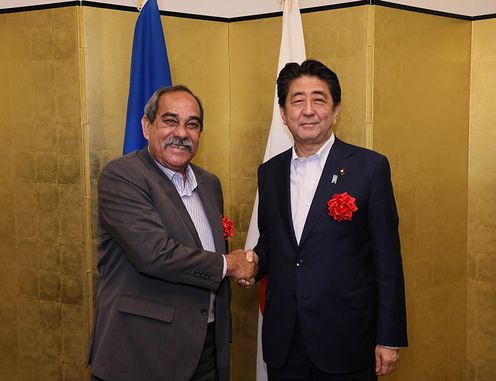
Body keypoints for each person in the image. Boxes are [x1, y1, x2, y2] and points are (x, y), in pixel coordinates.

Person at [88, 85, 256, 381]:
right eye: (170, 120)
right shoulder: (123, 176)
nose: (182, 132)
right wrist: (231, 265)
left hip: (204, 349)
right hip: (142, 352)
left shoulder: (209, 183)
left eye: (192, 124)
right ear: (146, 126)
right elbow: (155, 254)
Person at [254, 60, 407, 381]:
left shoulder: (370, 168)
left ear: (335, 110)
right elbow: (272, 242)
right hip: (285, 341)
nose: (308, 110)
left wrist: (389, 337)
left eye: (319, 99)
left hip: (347, 339)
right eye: (297, 101)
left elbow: (388, 261)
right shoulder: (269, 172)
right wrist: (250, 264)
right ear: (283, 113)